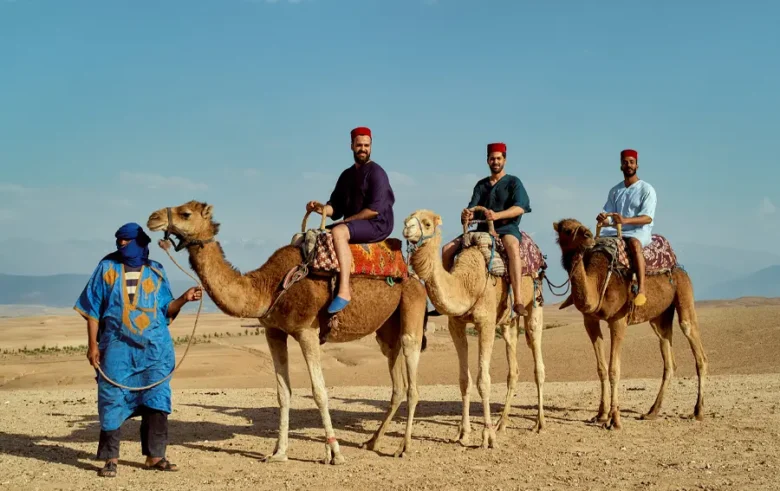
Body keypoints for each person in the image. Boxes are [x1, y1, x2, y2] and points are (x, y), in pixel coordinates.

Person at [73, 222, 202, 478]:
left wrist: (184, 299)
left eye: (127, 241)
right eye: (119, 241)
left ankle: (155, 457)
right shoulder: (107, 268)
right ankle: (110, 459)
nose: (122, 245)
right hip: (117, 349)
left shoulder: (157, 270)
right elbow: (92, 309)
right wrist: (92, 345)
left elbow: (166, 310)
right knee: (111, 400)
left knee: (157, 401)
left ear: (140, 243)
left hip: (154, 351)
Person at [305, 126, 395, 314]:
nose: (363, 149)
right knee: (309, 236)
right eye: (359, 145)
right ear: (351, 146)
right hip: (355, 223)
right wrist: (319, 209)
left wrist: (345, 223)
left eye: (366, 145)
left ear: (371, 146)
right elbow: (335, 208)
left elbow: (373, 210)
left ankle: (344, 291)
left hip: (377, 224)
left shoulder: (377, 173)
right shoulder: (346, 176)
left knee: (338, 232)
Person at [441, 142, 532, 316]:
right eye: (492, 159)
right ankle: (447, 296)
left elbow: (521, 207)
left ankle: (518, 300)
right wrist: (467, 215)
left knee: (512, 248)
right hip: (480, 229)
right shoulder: (481, 185)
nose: (495, 162)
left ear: (504, 160)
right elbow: (473, 209)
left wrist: (497, 216)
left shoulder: (513, 183)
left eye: (498, 158)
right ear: (487, 161)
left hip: (506, 228)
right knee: (446, 250)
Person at [596, 148, 657, 306]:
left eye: (631, 162)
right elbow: (608, 215)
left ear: (637, 165)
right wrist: (603, 219)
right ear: (621, 166)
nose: (628, 165)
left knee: (634, 245)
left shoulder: (646, 189)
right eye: (625, 162)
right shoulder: (615, 191)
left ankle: (642, 289)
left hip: (639, 230)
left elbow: (648, 217)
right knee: (591, 244)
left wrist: (625, 221)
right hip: (616, 230)